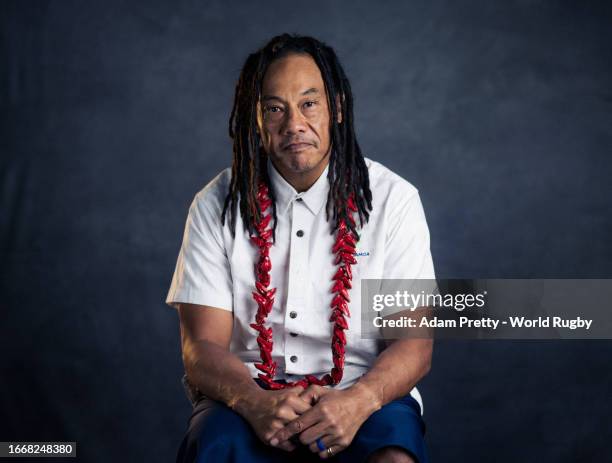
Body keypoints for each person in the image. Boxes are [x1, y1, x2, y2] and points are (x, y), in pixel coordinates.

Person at [165, 33, 436, 463]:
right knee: (217, 448)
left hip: (362, 393)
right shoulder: (215, 203)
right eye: (275, 108)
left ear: (337, 108)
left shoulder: (393, 200)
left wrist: (357, 401)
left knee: (394, 456)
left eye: (309, 103)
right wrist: (252, 402)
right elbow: (201, 348)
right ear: (256, 119)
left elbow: (414, 344)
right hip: (246, 395)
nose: (294, 124)